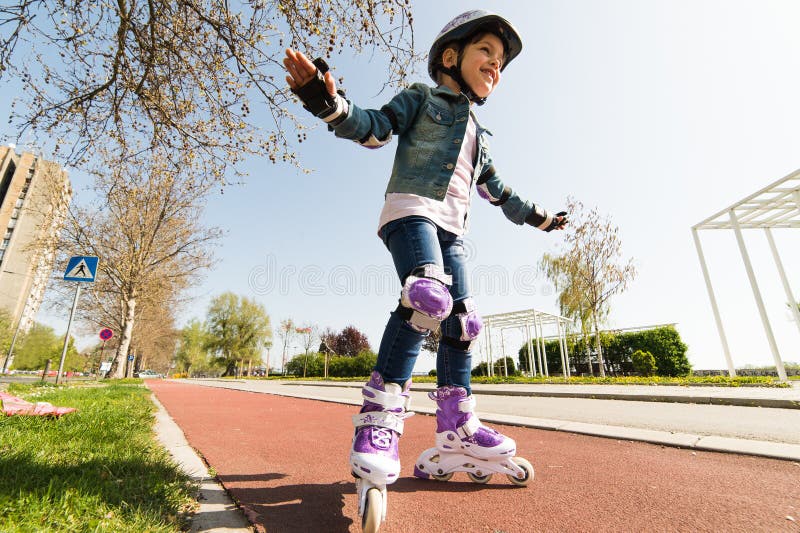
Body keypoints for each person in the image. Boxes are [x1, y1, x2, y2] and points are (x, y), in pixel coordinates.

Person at [284, 8, 565, 497]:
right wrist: (328, 103)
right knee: (427, 298)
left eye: (501, 62)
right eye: (487, 53)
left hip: (452, 234)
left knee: (464, 324)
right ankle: (380, 419)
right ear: (451, 56)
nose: (495, 66)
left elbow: (499, 192)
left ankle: (457, 429)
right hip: (411, 212)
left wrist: (540, 217)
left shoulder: (480, 137)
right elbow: (374, 128)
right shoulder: (421, 98)